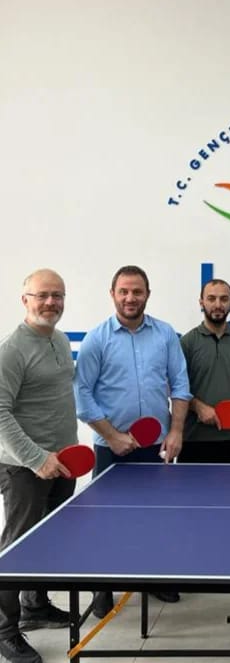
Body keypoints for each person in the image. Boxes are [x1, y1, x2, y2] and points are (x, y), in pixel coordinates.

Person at [75, 265, 191, 618]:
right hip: (111, 448)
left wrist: (176, 431)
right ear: (113, 294)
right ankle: (102, 587)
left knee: (155, 518)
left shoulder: (165, 334)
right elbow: (82, 395)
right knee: (106, 521)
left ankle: (151, 578)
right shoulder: (96, 339)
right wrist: (112, 436)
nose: (130, 297)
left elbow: (180, 385)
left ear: (147, 295)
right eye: (124, 291)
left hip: (155, 446)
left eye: (137, 291)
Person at [0, 270, 77, 663]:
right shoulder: (12, 350)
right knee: (15, 548)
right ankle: (4, 630)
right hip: (24, 469)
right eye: (43, 295)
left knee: (46, 542)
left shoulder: (58, 339)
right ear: (25, 299)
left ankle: (35, 605)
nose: (51, 302)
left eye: (57, 295)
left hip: (62, 463)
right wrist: (35, 458)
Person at [179, 279, 230, 463]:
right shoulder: (187, 343)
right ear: (201, 302)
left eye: (224, 299)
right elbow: (176, 388)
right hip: (193, 438)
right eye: (211, 298)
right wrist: (198, 407)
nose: (218, 305)